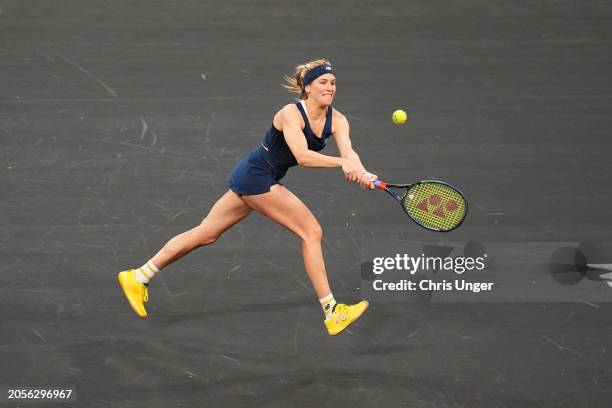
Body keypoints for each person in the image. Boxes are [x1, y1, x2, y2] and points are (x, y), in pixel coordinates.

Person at [118, 59, 376, 336]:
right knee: (311, 231)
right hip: (256, 176)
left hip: (255, 176)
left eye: (333, 83)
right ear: (308, 87)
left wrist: (362, 172)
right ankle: (332, 311)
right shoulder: (290, 113)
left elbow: (349, 153)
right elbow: (302, 156)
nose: (330, 87)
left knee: (206, 233)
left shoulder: (338, 120)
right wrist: (341, 164)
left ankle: (138, 276)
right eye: (323, 82)